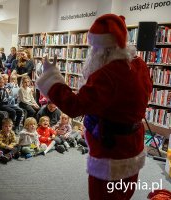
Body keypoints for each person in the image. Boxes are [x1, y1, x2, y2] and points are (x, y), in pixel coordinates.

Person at [36, 14, 152, 199]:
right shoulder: (140, 65)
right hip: (133, 145)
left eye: (93, 48)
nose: (91, 53)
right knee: (124, 193)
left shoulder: (106, 74)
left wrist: (51, 76)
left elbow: (75, 106)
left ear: (102, 49)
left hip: (111, 152)